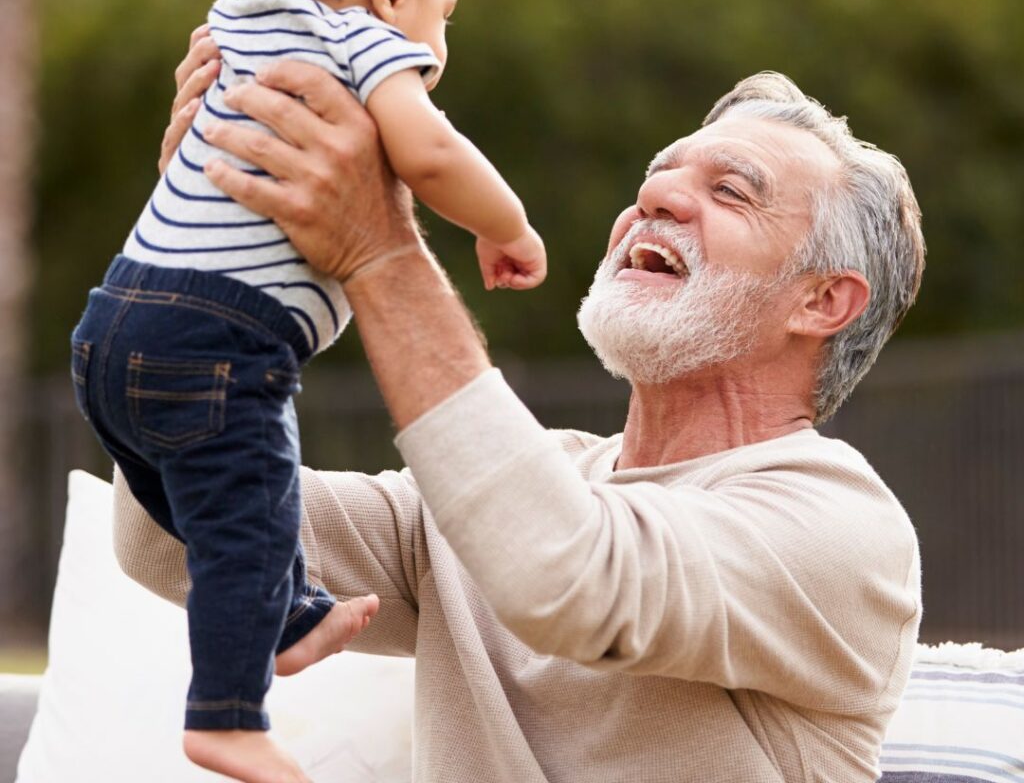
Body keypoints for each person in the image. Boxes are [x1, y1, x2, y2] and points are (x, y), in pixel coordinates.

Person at [114, 63, 925, 783]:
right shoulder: (520, 489)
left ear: (822, 301)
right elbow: (171, 539)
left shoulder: (842, 525)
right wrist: (198, 249)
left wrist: (380, 248)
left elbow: (568, 578)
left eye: (730, 191)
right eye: (659, 174)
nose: (654, 197)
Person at [70, 0, 545, 783]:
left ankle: (286, 606)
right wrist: (505, 225)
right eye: (442, 18)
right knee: (249, 504)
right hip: (216, 340)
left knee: (218, 511)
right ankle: (228, 715)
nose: (436, 45)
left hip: (110, 326)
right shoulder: (365, 45)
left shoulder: (233, 28)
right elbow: (431, 150)